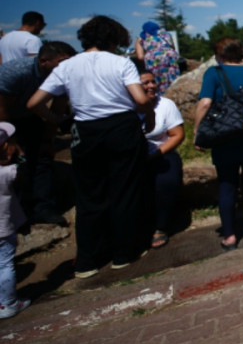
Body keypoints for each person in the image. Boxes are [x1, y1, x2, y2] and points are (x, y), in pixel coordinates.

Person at [27, 16, 155, 277]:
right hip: (121, 127)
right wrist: (149, 113)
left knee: (88, 194)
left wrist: (59, 120)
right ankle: (124, 253)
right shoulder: (122, 62)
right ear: (114, 38)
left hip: (85, 130)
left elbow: (34, 103)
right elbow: (140, 98)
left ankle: (87, 260)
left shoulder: (67, 66)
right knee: (125, 190)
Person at [193, 37, 243, 251]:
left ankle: (230, 236)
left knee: (227, 185)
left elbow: (205, 103)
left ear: (219, 55)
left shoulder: (214, 73)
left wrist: (197, 130)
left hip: (225, 137)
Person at [0, 42, 76, 226]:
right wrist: (9, 139)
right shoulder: (16, 71)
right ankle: (15, 213)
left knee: (42, 159)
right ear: (43, 61)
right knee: (13, 162)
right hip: (4, 118)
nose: (68, 66)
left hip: (29, 116)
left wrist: (48, 140)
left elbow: (58, 109)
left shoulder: (65, 75)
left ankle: (44, 209)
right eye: (63, 62)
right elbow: (1, 107)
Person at [139, 68, 184, 249]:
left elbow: (177, 135)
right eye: (145, 83)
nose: (151, 86)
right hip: (134, 156)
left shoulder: (165, 105)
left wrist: (155, 154)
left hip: (161, 153)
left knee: (165, 180)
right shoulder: (124, 106)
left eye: (153, 81)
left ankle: (161, 226)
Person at [0, 122, 31, 319]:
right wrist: (19, 155)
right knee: (5, 264)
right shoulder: (8, 172)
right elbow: (24, 173)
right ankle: (9, 303)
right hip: (3, 228)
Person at [134, 21, 181, 94]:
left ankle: (159, 96)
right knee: (172, 78)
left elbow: (140, 57)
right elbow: (173, 48)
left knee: (156, 81)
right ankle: (174, 94)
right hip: (170, 56)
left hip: (153, 60)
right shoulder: (166, 34)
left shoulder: (141, 38)